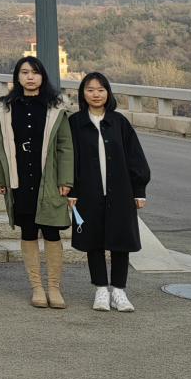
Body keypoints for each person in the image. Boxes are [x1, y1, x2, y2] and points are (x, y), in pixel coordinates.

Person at [0, 55, 74, 309]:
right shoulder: (5, 109)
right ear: (17, 77)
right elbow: (0, 147)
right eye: (25, 72)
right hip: (20, 179)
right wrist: (1, 178)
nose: (30, 77)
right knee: (28, 231)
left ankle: (54, 288)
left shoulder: (56, 107)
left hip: (48, 179)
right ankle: (37, 287)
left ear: (42, 77)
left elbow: (65, 147)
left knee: (51, 231)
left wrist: (66, 180)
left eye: (35, 72)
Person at [68, 71, 151, 313]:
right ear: (83, 94)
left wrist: (139, 190)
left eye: (101, 90)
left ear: (108, 93)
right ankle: (101, 290)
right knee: (93, 241)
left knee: (120, 241)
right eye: (90, 90)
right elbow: (69, 159)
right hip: (87, 192)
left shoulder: (119, 122)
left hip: (121, 192)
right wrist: (71, 189)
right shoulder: (75, 123)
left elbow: (136, 157)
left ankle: (119, 291)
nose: (96, 94)